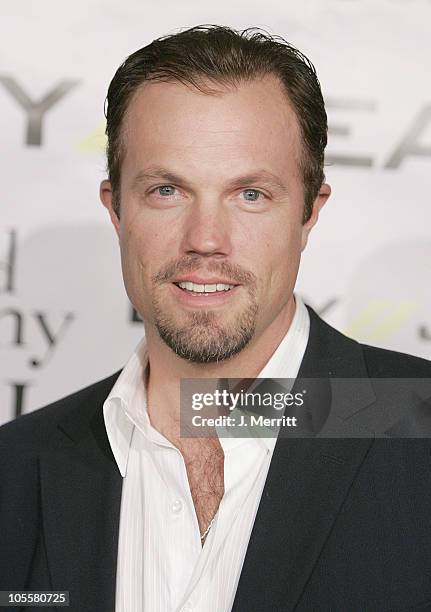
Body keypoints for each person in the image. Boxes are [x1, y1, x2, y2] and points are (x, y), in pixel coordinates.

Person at [1, 24, 431, 612]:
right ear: (117, 209)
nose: (206, 240)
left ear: (309, 214)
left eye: (250, 195)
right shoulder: (15, 469)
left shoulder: (419, 428)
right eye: (166, 191)